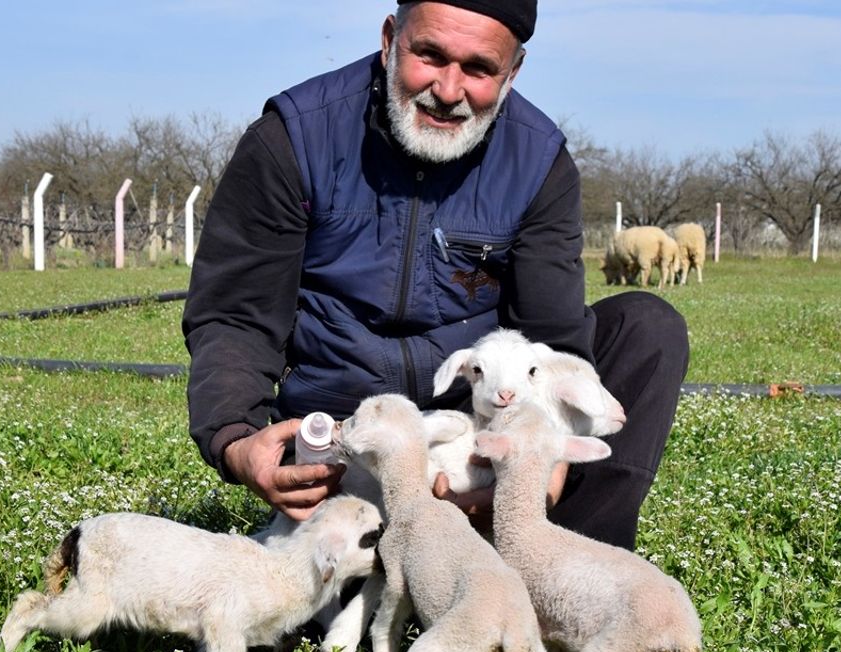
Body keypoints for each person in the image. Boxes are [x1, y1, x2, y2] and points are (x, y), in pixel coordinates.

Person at [183, 0, 688, 551]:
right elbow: (236, 315)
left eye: (478, 69)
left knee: (646, 328)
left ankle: (563, 568)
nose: (448, 91)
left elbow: (552, 336)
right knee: (303, 602)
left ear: (512, 72)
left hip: (473, 429)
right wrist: (237, 440)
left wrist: (543, 463)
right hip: (346, 438)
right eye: (429, 55)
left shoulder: (540, 162)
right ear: (390, 40)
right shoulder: (293, 139)